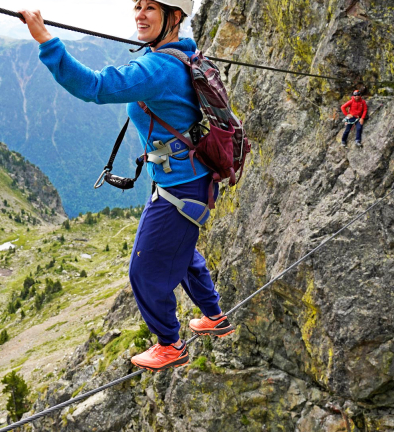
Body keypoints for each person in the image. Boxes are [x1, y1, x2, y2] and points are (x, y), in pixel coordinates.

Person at [19, 0, 235, 372]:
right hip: (190, 180)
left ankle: (170, 344)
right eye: (136, 6)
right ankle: (215, 318)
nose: (139, 14)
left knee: (145, 270)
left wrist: (45, 40)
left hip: (179, 189)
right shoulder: (184, 54)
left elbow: (95, 87)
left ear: (175, 15)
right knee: (182, 255)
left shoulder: (158, 68)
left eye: (151, 7)